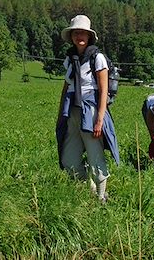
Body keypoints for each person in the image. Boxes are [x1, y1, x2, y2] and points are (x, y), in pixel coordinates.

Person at [56, 15, 119, 203]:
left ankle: (101, 198)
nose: (79, 36)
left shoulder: (97, 58)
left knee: (94, 154)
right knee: (69, 160)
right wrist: (61, 114)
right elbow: (66, 87)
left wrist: (100, 119)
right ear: (72, 36)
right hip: (72, 112)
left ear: (89, 36)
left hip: (91, 111)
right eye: (76, 33)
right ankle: (90, 188)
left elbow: (103, 90)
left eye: (82, 32)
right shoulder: (70, 58)